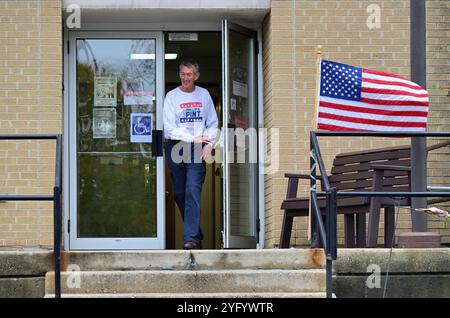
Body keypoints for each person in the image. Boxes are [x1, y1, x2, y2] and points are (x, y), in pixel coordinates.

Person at [163, 59, 218, 250]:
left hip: (197, 149)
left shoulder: (204, 95)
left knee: (192, 190)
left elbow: (212, 123)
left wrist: (208, 143)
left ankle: (191, 239)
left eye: (189, 75)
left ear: (196, 76)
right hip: (176, 146)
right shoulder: (171, 96)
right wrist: (190, 137)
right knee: (179, 193)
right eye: (183, 74)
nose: (186, 78)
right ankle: (197, 233)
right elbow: (169, 129)